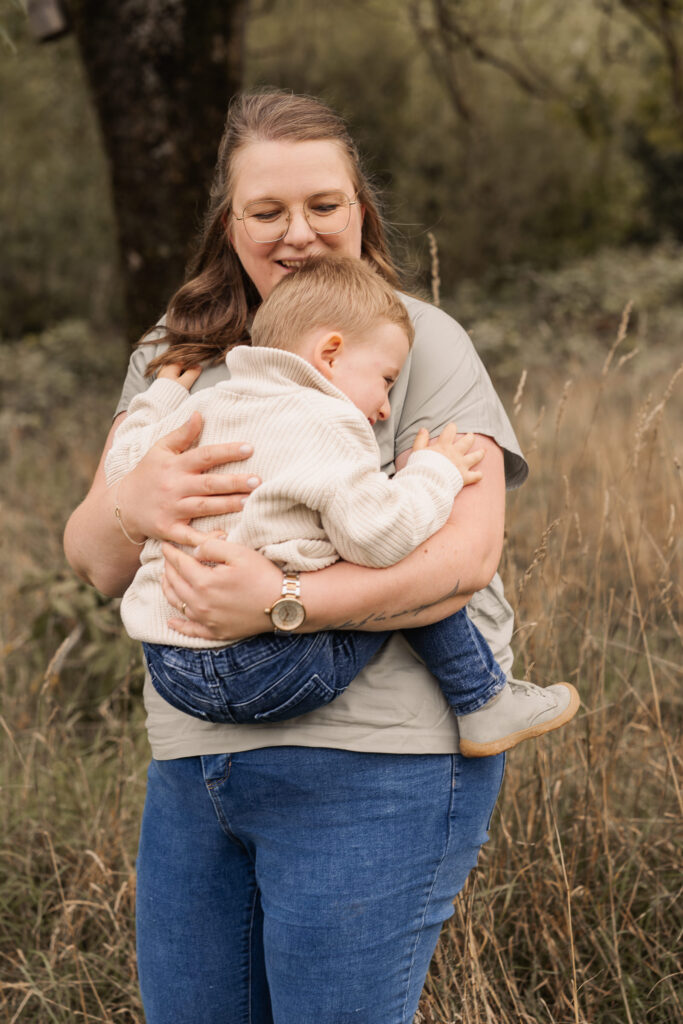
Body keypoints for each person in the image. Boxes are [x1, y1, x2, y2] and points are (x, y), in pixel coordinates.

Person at [64, 89, 573, 1023]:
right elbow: (94, 560)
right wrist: (132, 505)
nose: (296, 232)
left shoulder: (416, 343)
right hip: (196, 757)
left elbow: (463, 557)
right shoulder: (172, 359)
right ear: (231, 223)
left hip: (371, 762)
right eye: (267, 211)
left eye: (323, 206)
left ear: (360, 211)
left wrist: (281, 598)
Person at [105, 255, 578, 756]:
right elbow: (379, 539)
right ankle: (482, 700)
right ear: (330, 354)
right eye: (387, 379)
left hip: (171, 667)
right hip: (269, 671)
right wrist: (432, 473)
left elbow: (122, 466)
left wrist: (160, 395)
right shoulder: (329, 421)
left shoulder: (202, 405)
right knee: (411, 557)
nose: (385, 408)